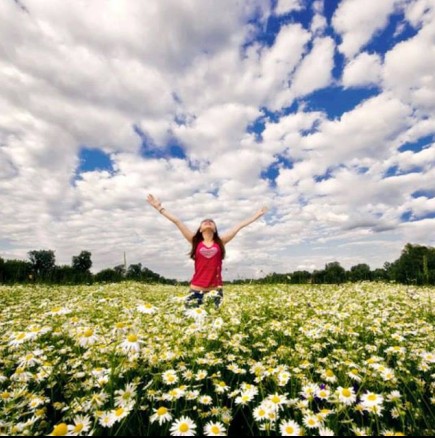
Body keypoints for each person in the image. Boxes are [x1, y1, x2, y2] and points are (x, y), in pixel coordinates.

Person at [147, 194, 268, 308]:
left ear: (215, 229)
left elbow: (239, 226)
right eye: (204, 222)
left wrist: (256, 215)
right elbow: (177, 221)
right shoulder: (195, 241)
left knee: (214, 325)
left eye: (211, 222)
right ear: (200, 229)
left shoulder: (220, 242)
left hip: (215, 291)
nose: (208, 221)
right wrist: (159, 208)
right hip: (195, 290)